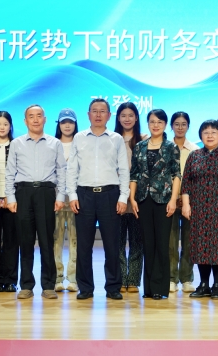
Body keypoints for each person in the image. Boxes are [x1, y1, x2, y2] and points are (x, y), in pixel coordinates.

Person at [66, 98, 130, 300]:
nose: (98, 115)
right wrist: (72, 195)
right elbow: (72, 169)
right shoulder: (79, 138)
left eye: (103, 111)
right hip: (84, 195)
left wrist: (123, 197)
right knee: (84, 245)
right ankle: (85, 287)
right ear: (88, 115)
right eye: (95, 111)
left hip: (110, 195)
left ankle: (113, 287)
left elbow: (123, 169)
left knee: (112, 245)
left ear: (109, 116)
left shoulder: (116, 139)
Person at [5, 104, 66, 300]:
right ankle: (26, 285)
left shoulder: (55, 143)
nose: (35, 119)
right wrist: (10, 197)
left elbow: (61, 171)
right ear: (25, 121)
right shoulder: (17, 143)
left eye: (39, 115)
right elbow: (9, 172)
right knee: (25, 241)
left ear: (45, 119)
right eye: (31, 116)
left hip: (46, 193)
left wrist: (60, 196)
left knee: (47, 241)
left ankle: (48, 285)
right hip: (23, 193)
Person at [182, 120, 218, 299]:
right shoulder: (194, 156)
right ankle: (204, 284)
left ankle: (216, 286)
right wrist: (186, 204)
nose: (209, 135)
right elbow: (186, 183)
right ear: (201, 136)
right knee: (200, 247)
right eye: (206, 132)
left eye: (214, 132)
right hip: (198, 209)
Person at [130, 109, 181, 299]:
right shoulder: (140, 146)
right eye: (152, 121)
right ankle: (149, 289)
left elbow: (176, 175)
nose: (156, 125)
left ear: (165, 125)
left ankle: (160, 288)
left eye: (160, 122)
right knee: (148, 244)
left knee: (161, 244)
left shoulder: (171, 147)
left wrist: (173, 200)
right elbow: (134, 174)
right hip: (143, 200)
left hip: (164, 200)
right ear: (148, 124)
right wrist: (132, 199)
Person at [114, 102, 145, 294]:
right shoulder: (111, 139)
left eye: (130, 115)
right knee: (116, 241)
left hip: (137, 197)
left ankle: (133, 280)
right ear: (118, 118)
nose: (127, 119)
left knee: (137, 241)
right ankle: (119, 279)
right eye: (123, 115)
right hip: (115, 197)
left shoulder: (144, 140)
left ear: (136, 118)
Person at [0, 111, 19, 293]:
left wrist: (10, 196)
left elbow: (19, 174)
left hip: (11, 201)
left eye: (5, 124)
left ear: (10, 126)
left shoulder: (17, 146)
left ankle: (10, 280)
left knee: (11, 242)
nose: (2, 127)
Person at [168, 111, 197, 294]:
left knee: (189, 241)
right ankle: (171, 278)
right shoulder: (165, 147)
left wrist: (186, 199)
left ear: (188, 126)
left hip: (189, 201)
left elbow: (195, 177)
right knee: (170, 242)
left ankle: (186, 278)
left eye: (183, 124)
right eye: (177, 124)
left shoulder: (194, 149)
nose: (180, 127)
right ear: (171, 126)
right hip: (169, 201)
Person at [54, 108, 79, 292]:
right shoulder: (52, 144)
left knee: (75, 240)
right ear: (59, 124)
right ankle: (57, 278)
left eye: (70, 122)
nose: (67, 125)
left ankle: (73, 278)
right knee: (56, 240)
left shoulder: (81, 143)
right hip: (56, 199)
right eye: (64, 122)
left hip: (76, 199)